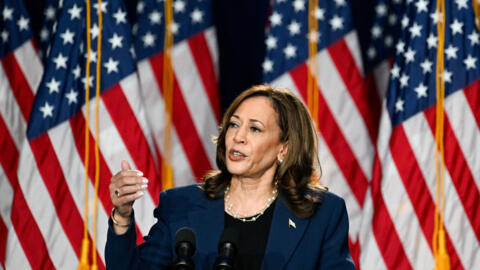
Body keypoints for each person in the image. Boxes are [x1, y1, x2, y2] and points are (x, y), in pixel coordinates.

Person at [105, 85, 356, 270]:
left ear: (284, 148)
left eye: (255, 129)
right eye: (234, 125)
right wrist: (123, 217)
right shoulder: (181, 204)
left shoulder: (322, 213)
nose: (238, 137)